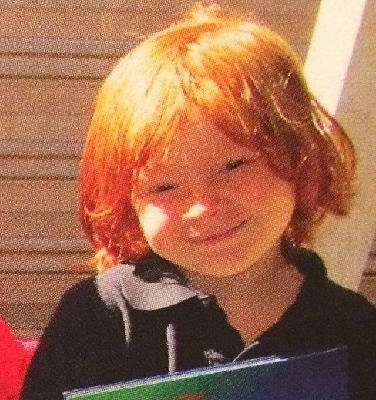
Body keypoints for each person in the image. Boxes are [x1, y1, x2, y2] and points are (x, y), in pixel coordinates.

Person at [21, 4, 376, 400]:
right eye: (165, 187)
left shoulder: (354, 329)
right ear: (128, 201)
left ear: (300, 156)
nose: (202, 206)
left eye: (234, 165)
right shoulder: (98, 317)